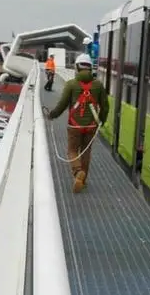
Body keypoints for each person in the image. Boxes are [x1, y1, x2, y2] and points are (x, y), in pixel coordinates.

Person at [46, 54, 109, 193]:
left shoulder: (71, 84)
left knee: (72, 151)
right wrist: (102, 120)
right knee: (86, 153)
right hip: (92, 126)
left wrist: (52, 115)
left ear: (77, 67)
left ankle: (77, 172)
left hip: (74, 125)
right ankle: (83, 181)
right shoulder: (98, 85)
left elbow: (62, 104)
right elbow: (105, 106)